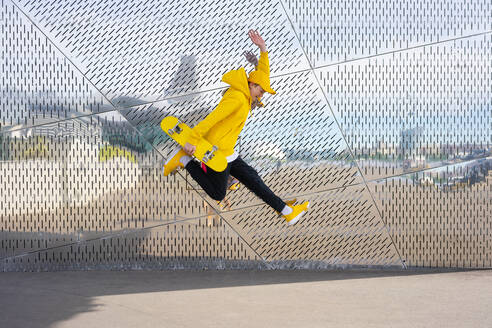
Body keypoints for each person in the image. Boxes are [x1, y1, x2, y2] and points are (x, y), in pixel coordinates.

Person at [163, 30, 309, 225]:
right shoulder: (237, 98)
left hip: (228, 150)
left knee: (254, 180)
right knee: (218, 193)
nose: (262, 96)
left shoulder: (248, 93)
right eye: (261, 91)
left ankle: (286, 211)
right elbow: (212, 118)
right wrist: (192, 140)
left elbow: (263, 74)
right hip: (217, 152)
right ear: (252, 84)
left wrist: (263, 49)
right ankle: (185, 160)